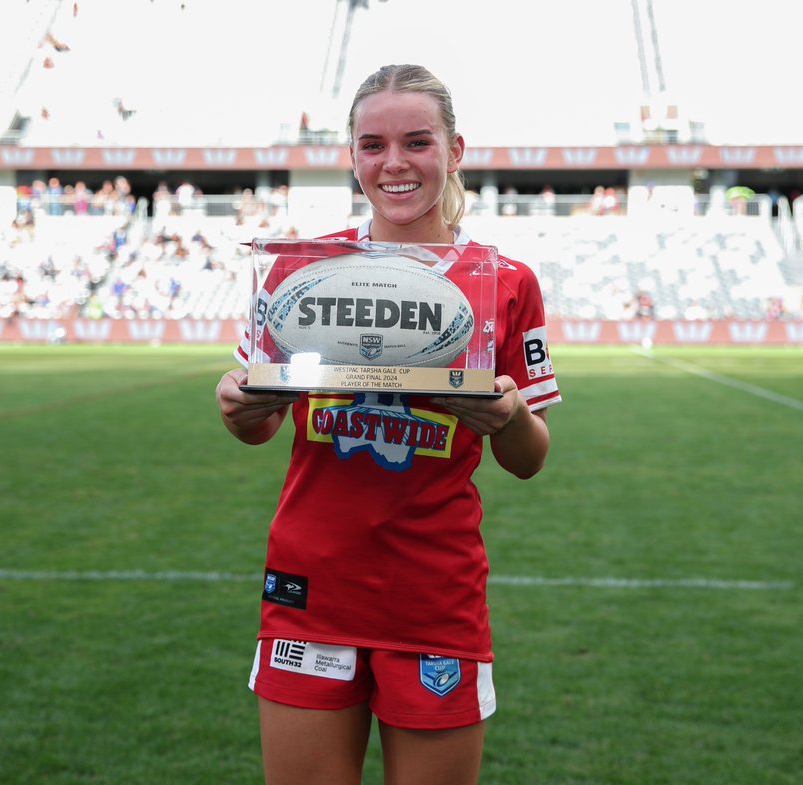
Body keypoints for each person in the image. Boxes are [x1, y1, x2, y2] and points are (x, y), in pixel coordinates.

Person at [215, 63, 560, 785]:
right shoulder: (299, 272)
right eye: (372, 144)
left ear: (455, 150)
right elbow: (260, 426)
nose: (394, 163)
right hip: (312, 587)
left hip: (433, 594)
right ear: (351, 154)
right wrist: (240, 408)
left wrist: (507, 417)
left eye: (417, 142)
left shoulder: (504, 281)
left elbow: (528, 458)